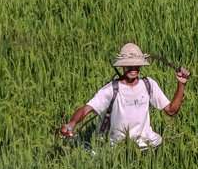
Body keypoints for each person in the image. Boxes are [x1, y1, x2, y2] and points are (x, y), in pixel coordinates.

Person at [59, 43, 190, 151]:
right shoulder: (112, 89)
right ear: (122, 65)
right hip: (120, 150)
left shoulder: (148, 84)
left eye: (136, 65)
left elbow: (172, 111)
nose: (133, 68)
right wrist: (71, 124)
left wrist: (181, 84)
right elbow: (86, 109)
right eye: (129, 65)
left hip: (149, 147)